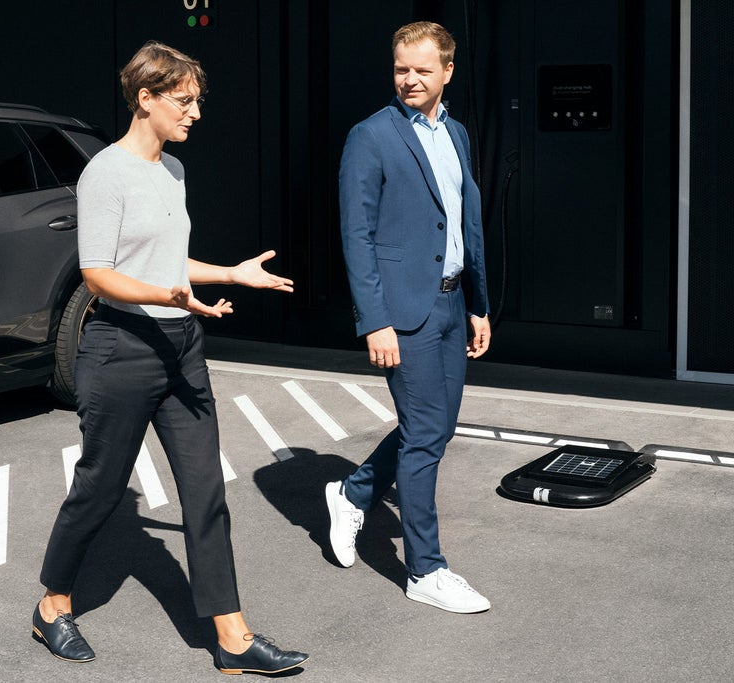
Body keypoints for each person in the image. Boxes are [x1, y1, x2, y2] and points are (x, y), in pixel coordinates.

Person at [32, 41, 309, 675]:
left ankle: (232, 637)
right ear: (145, 98)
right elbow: (98, 273)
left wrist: (230, 276)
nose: (195, 114)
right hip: (121, 348)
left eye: (197, 101)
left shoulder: (173, 172)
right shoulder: (104, 172)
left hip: (181, 348)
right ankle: (53, 605)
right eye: (183, 101)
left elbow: (170, 263)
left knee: (206, 490)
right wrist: (167, 294)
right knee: (100, 489)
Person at [327, 21, 493, 614]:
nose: (410, 80)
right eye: (402, 68)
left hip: (451, 302)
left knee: (435, 429)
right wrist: (374, 320)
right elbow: (357, 234)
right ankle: (425, 570)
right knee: (425, 437)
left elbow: (466, 222)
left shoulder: (458, 134)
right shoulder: (370, 137)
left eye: (423, 69)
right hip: (402, 311)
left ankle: (351, 491)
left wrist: (478, 302)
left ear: (448, 71)